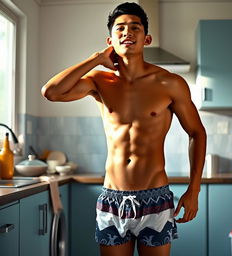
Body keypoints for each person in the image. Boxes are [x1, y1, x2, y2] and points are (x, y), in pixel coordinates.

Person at [41, 2, 206, 256]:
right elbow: (51, 92)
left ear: (146, 38)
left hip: (156, 198)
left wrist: (193, 190)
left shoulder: (170, 83)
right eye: (120, 28)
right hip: (112, 199)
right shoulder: (98, 82)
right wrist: (96, 59)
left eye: (134, 28)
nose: (127, 32)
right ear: (110, 39)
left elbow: (197, 133)